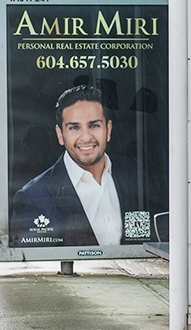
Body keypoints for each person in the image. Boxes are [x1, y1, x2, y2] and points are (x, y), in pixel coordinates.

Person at [10, 85, 140, 247]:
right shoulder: (33, 197)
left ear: (108, 129)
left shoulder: (134, 173)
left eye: (94, 125)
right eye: (74, 127)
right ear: (60, 135)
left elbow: (148, 239)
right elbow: (34, 267)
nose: (86, 137)